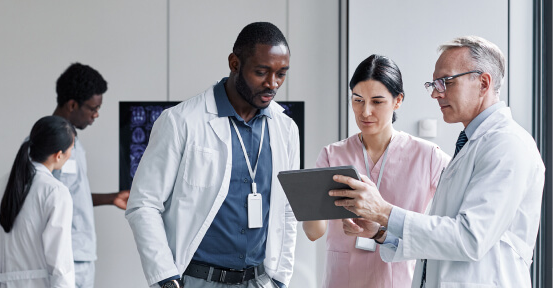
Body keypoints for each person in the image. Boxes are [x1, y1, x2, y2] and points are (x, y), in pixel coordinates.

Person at [333, 36, 545, 288]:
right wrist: (380, 232)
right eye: (434, 84)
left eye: (446, 82)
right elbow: (441, 236)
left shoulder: (507, 144)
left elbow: (470, 238)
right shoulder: (470, 143)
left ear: (484, 82)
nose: (435, 93)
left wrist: (384, 212)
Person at [125, 22, 299, 288]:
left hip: (259, 280)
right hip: (198, 280)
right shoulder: (181, 121)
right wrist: (165, 278)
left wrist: (280, 279)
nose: (272, 84)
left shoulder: (285, 129)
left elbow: (287, 209)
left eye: (281, 74)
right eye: (261, 72)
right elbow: (143, 204)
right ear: (235, 63)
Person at [302, 54, 450, 288]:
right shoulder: (332, 155)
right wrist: (308, 201)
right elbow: (313, 233)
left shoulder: (429, 156)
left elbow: (449, 228)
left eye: (377, 101)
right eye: (357, 100)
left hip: (398, 278)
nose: (365, 112)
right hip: (342, 279)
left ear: (398, 101)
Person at [52, 62, 130, 288]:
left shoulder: (72, 141)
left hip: (79, 253)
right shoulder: (51, 143)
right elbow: (48, 198)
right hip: (64, 256)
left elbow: (71, 193)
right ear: (72, 104)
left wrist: (111, 198)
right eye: (93, 108)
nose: (96, 115)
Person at [0, 116, 77, 288]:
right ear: (59, 155)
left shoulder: (2, 184)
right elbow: (60, 262)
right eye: (71, 149)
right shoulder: (56, 191)